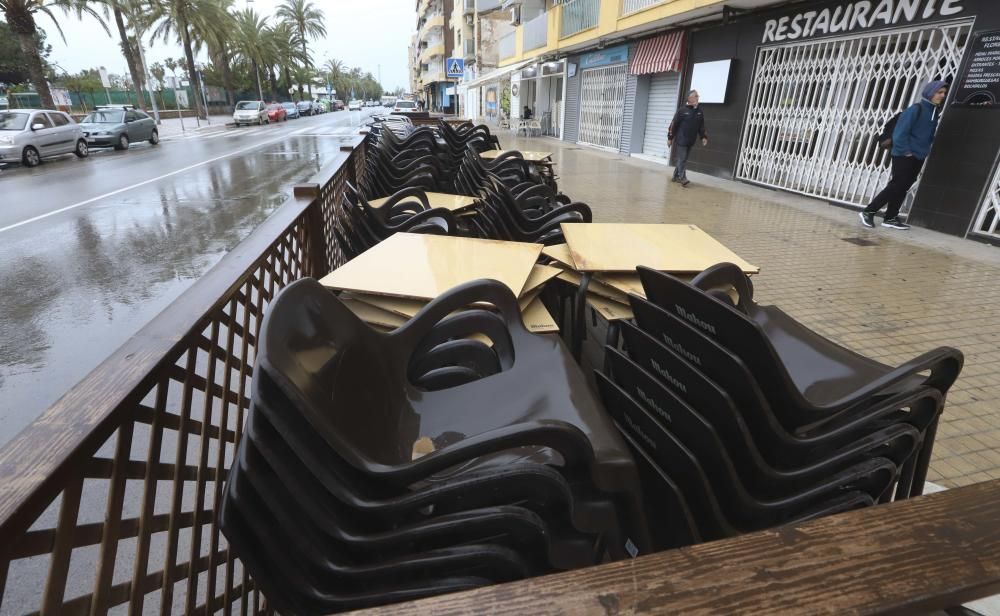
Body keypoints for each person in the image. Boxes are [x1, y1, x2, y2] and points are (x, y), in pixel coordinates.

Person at [860, 80, 948, 230]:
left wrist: (924, 149)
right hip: (904, 155)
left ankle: (890, 217)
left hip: (918, 155)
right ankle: (869, 211)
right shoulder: (916, 109)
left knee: (904, 186)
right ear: (930, 92)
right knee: (897, 185)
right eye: (939, 92)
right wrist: (906, 152)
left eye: (944, 93)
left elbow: (926, 134)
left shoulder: (934, 111)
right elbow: (900, 133)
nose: (942, 95)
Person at [668, 90, 708, 187]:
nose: (698, 97)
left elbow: (701, 126)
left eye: (698, 96)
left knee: (683, 159)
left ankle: (675, 176)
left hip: (691, 140)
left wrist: (703, 137)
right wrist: (670, 137)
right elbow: (674, 124)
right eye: (696, 96)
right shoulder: (682, 111)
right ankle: (683, 178)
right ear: (690, 98)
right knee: (683, 159)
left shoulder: (699, 112)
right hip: (681, 139)